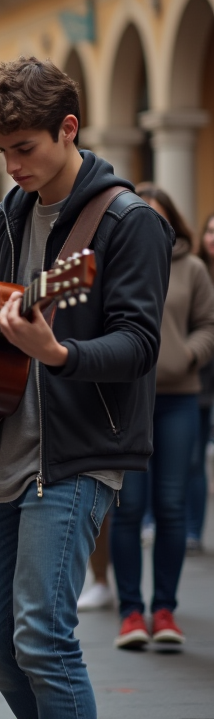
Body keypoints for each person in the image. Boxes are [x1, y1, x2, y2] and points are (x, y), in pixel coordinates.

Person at [0, 57, 171, 718]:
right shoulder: (14, 212)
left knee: (44, 639)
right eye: (1, 152)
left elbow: (139, 346)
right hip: (6, 458)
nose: (12, 165)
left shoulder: (127, 223)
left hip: (78, 458)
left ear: (68, 129)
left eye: (23, 148)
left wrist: (57, 351)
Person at [109, 185, 214, 649]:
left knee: (172, 506)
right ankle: (130, 613)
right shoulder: (115, 264)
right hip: (129, 399)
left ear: (171, 221)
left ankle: (165, 610)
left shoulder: (191, 268)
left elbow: (208, 325)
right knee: (128, 508)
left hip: (178, 399)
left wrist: (187, 356)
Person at [190, 211, 214, 553]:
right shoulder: (195, 270)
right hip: (198, 378)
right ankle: (190, 531)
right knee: (193, 457)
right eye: (210, 230)